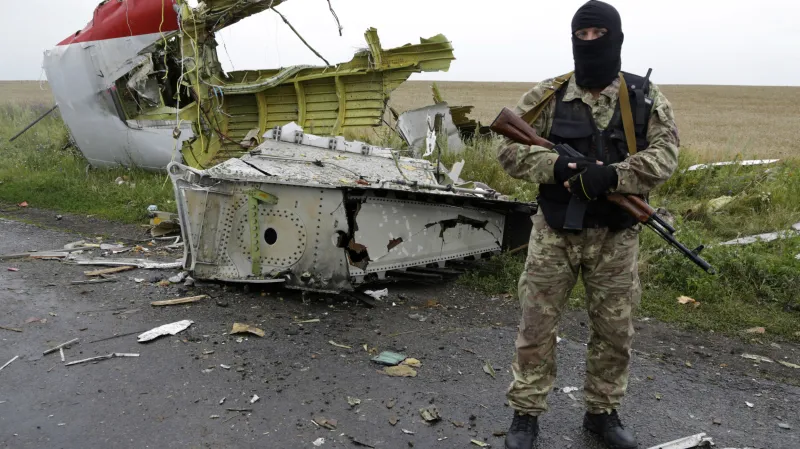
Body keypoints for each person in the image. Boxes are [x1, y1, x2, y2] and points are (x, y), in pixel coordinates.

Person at [495, 1, 680, 449]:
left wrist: (613, 176)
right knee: (536, 327)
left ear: (615, 37)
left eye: (600, 33)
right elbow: (507, 150)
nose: (591, 42)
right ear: (573, 38)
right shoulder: (549, 94)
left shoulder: (644, 96)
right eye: (584, 34)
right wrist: (559, 168)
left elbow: (666, 157)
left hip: (616, 237)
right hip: (554, 233)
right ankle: (526, 416)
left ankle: (603, 413)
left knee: (615, 332)